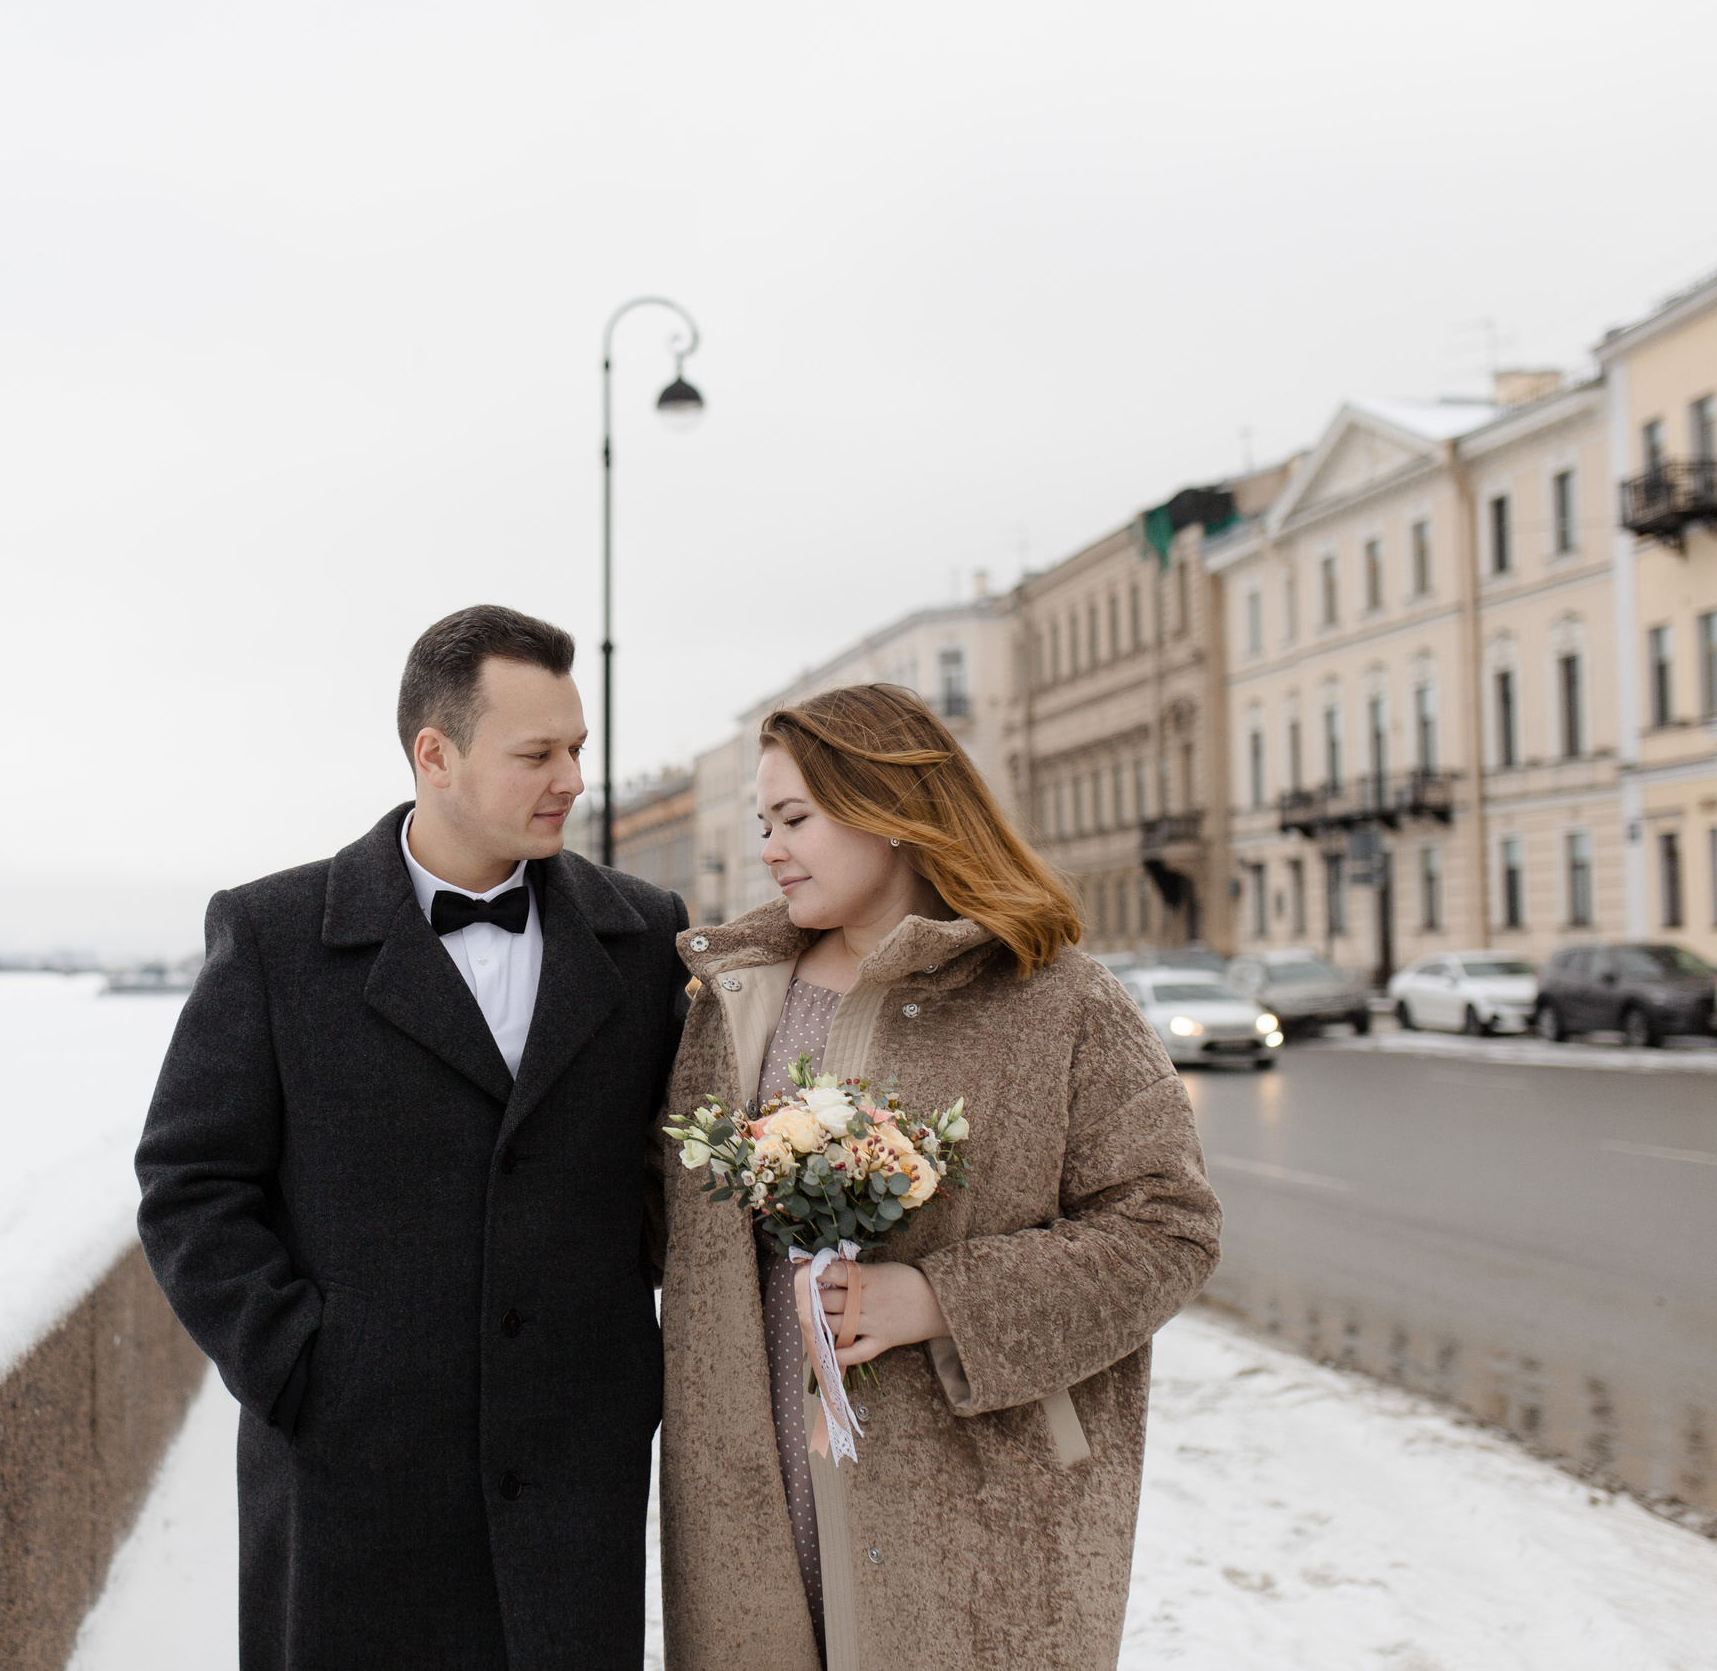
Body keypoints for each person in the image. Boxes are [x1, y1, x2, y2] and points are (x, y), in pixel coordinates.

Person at [135, 604, 692, 1671]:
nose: (572, 779)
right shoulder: (274, 934)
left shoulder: (645, 933)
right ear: (433, 755)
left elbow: (678, 1166)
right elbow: (188, 1180)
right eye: (537, 754)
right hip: (353, 1477)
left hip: (575, 1469)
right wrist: (300, 1366)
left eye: (577, 748)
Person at [658, 684, 1221, 1671]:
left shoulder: (1056, 1000)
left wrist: (938, 1300)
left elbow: (1167, 1228)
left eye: (794, 819)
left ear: (891, 812)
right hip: (755, 1494)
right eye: (762, 823)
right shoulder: (731, 999)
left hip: (968, 1514)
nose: (769, 848)